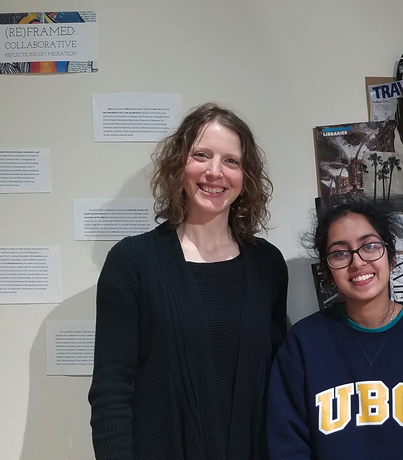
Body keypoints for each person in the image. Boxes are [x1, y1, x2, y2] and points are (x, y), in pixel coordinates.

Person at [88, 103, 288, 460]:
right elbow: (111, 391)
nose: (215, 171)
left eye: (231, 161)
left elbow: (275, 380)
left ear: (246, 178)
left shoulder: (267, 264)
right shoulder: (132, 262)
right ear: (179, 164)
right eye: (201, 155)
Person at [268, 201, 403, 460]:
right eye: (340, 253)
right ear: (328, 273)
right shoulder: (303, 343)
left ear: (391, 257)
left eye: (370, 246)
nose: (357, 262)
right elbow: (288, 445)